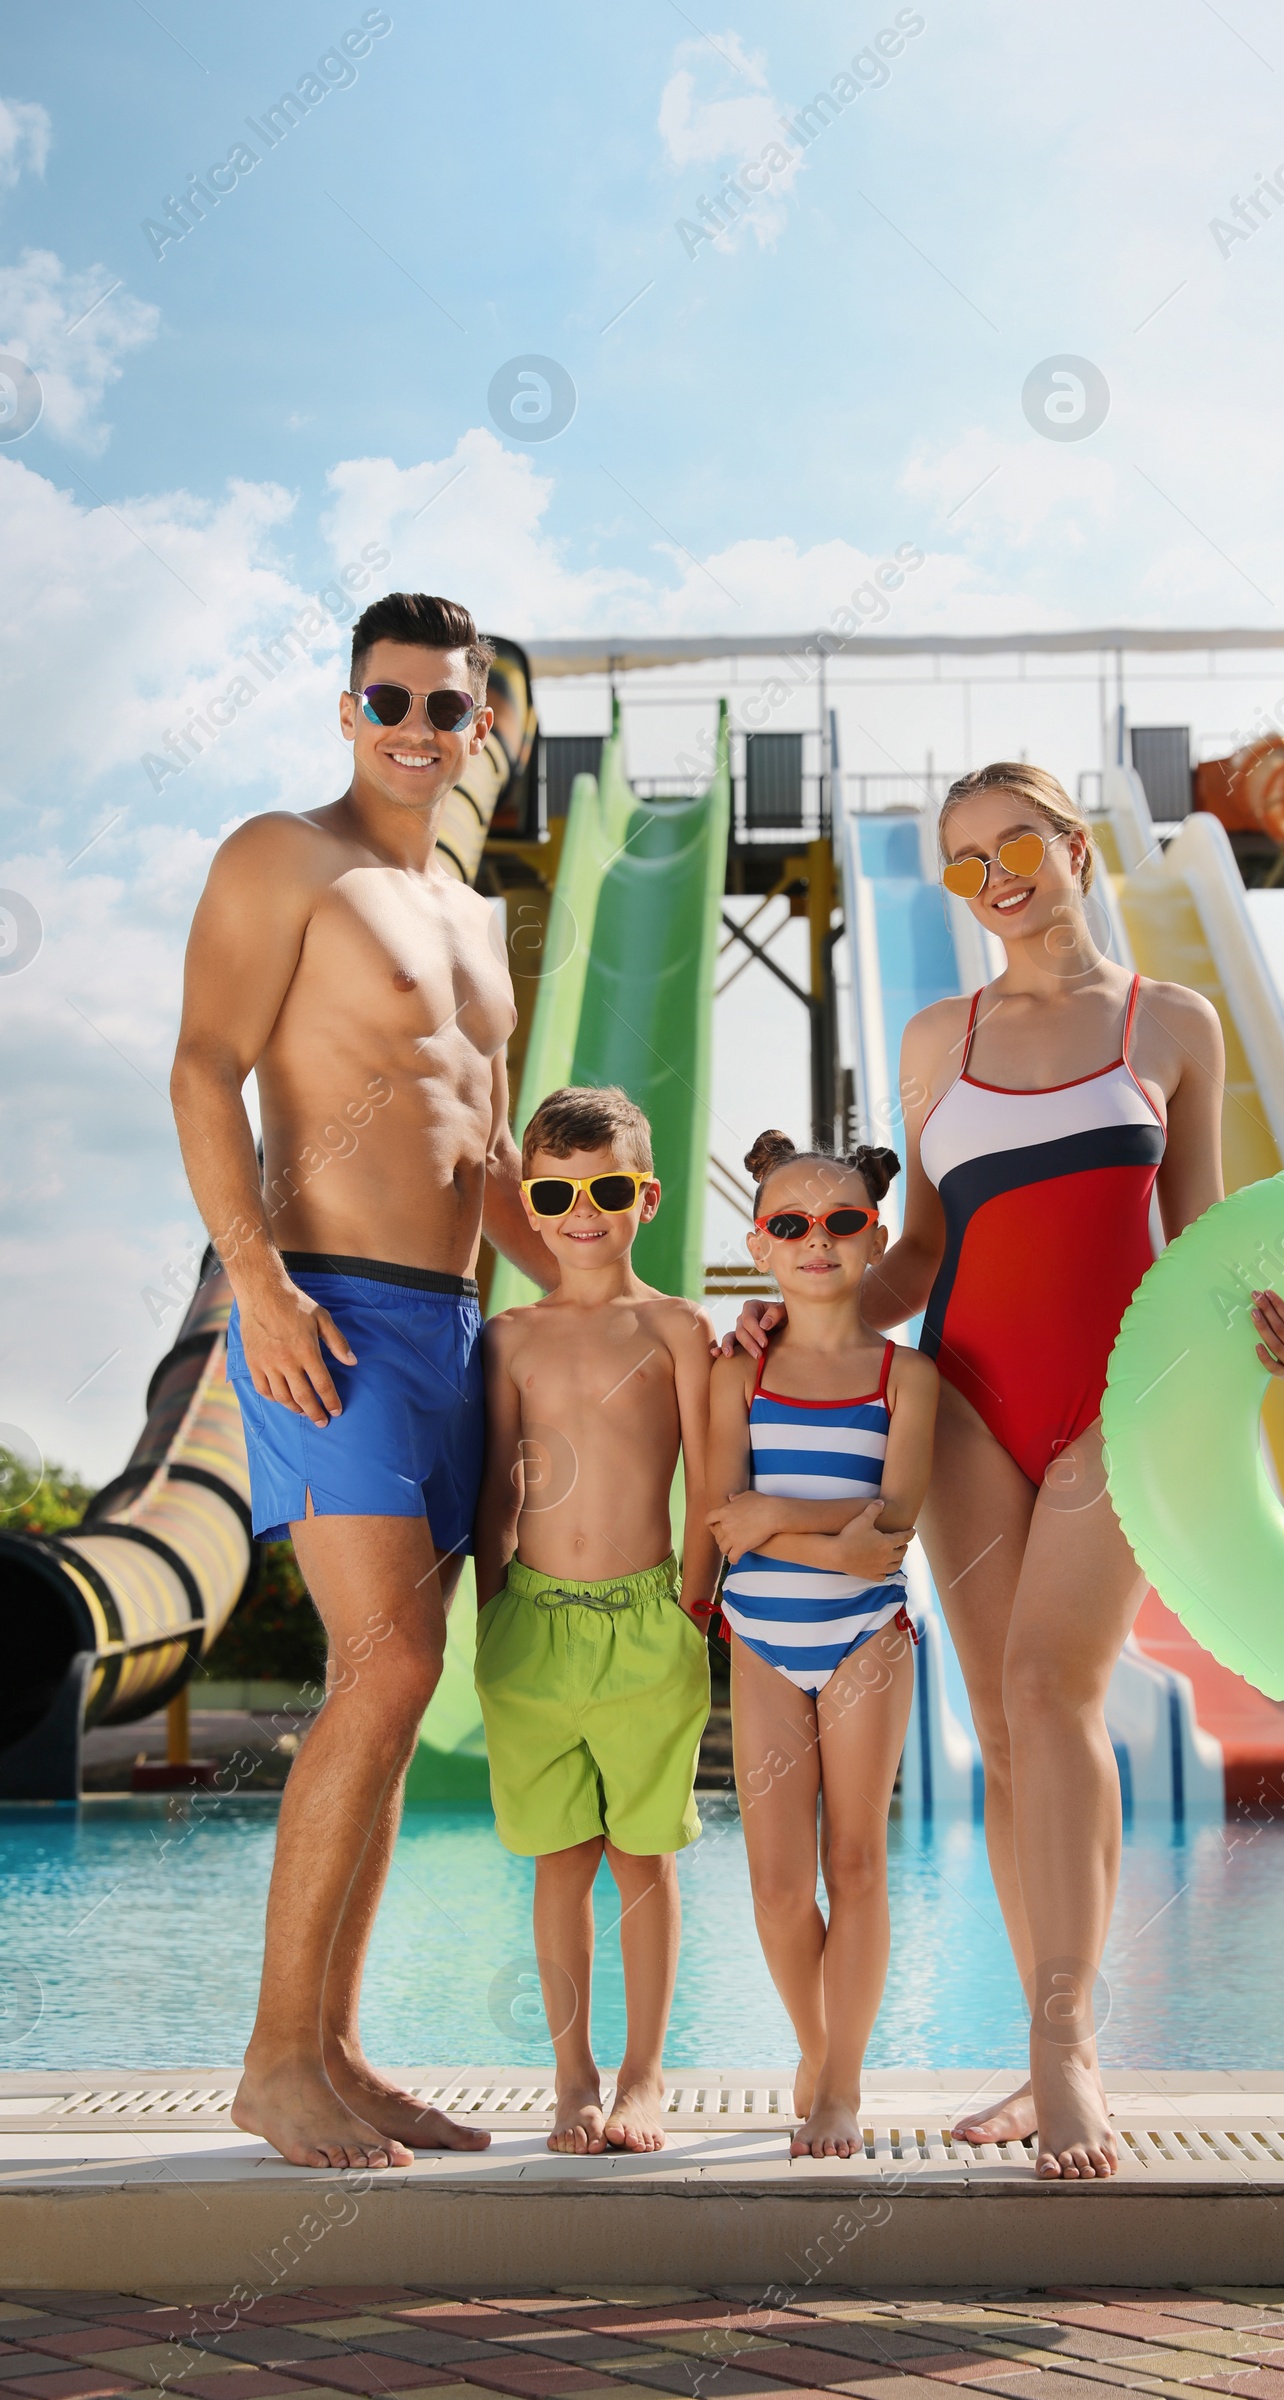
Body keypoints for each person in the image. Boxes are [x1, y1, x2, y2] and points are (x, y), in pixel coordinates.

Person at [734, 762, 1284, 2181]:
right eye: (961, 864)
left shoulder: (1168, 1023)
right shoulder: (936, 1036)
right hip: (961, 1409)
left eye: (1013, 844)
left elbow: (1205, 1246)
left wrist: (1280, 1343)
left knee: (1046, 1692)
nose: (992, 876)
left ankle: (1070, 2056)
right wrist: (799, 1322)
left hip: (1121, 1405)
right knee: (1005, 1736)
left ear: (1072, 846)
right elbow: (928, 1252)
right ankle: (1041, 2041)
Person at [170, 590, 560, 2173]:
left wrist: (620, 1310)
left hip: (455, 1331)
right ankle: (274, 2062)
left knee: (391, 1701)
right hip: (323, 1309)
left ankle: (336, 2048)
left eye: (446, 707)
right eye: (387, 699)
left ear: (487, 730)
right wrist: (252, 1285)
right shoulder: (285, 856)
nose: (415, 728)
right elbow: (201, 1064)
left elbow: (493, 1165)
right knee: (388, 1670)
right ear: (347, 711)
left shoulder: (476, 918)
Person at [474, 1086, 718, 2156]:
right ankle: (570, 2078)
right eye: (559, 1192)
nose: (583, 1210)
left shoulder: (676, 1327)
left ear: (646, 1197)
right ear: (528, 1203)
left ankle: (643, 2075)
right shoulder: (509, 1336)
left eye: (607, 1189)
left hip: (646, 1621)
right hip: (531, 1626)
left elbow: (711, 1483)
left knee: (644, 1860)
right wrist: (489, 1620)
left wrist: (692, 1610)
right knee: (560, 1860)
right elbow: (494, 1491)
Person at [708, 1131, 939, 2160]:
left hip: (865, 1641)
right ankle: (817, 2046)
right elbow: (721, 1522)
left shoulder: (907, 1377)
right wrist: (793, 1528)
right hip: (759, 1636)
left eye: (841, 1223)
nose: (817, 1240)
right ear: (759, 1244)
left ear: (874, 1238)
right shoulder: (737, 1375)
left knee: (853, 1863)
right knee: (771, 1882)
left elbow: (888, 1535)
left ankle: (840, 2090)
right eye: (791, 1225)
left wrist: (774, 1517)